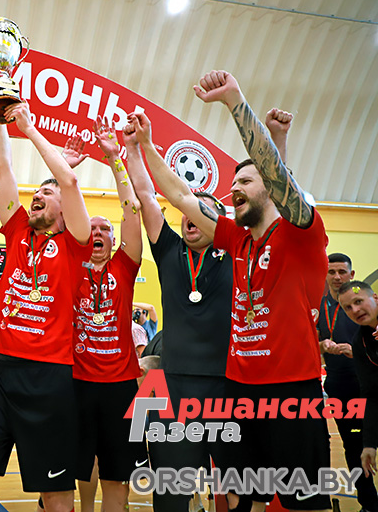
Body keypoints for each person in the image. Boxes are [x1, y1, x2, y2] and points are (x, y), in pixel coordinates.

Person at [139, 69, 330, 511]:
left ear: (271, 189)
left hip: (292, 393)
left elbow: (278, 177)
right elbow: (181, 197)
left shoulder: (301, 235)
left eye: (245, 182)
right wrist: (147, 146)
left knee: (302, 503)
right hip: (241, 393)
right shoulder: (236, 239)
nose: (234, 189)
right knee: (248, 498)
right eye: (233, 185)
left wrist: (233, 101)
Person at [0, 100, 92, 512]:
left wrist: (30, 129)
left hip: (50, 380)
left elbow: (69, 182)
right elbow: (2, 168)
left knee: (56, 496)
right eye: (37, 192)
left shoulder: (76, 243)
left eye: (47, 193)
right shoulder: (17, 232)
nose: (37, 195)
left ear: (65, 207)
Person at [124, 110, 232, 512]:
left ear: (220, 222)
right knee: (171, 493)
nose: (190, 216)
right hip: (171, 390)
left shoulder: (235, 253)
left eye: (202, 210)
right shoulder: (169, 250)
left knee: (237, 487)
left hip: (227, 386)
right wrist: (133, 148)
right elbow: (146, 196)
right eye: (188, 210)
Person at [66, 117, 147, 512]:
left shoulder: (124, 266)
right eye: (91, 228)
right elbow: (55, 218)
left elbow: (132, 210)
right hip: (78, 383)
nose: (97, 233)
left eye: (105, 229)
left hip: (120, 385)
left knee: (118, 473)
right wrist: (67, 172)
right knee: (83, 468)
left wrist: (116, 159)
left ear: (115, 240)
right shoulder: (69, 266)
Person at [318, 255, 377, 512]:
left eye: (342, 271)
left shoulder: (363, 302)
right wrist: (321, 346)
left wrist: (360, 353)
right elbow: (308, 345)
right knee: (355, 448)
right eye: (331, 272)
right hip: (341, 388)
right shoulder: (318, 307)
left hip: (369, 382)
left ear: (352, 274)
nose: (337, 277)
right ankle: (369, 504)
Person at [338, 281, 378, 479]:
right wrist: (369, 444)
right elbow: (371, 394)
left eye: (358, 301)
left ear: (375, 298)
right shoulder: (360, 343)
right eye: (348, 307)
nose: (355, 310)